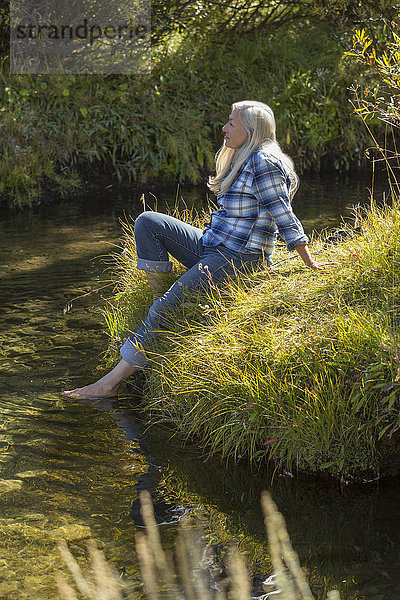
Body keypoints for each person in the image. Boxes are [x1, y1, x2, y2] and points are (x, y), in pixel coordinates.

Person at [63, 100, 323, 399]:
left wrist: (309, 261)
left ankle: (109, 384)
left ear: (250, 131)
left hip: (238, 259)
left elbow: (284, 215)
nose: (224, 128)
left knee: (163, 310)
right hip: (211, 246)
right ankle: (163, 304)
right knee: (149, 223)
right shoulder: (244, 156)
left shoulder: (264, 162)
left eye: (231, 123)